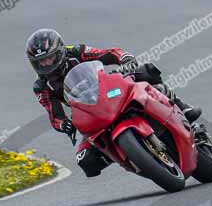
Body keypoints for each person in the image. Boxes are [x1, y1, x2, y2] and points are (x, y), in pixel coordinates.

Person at [26, 28, 202, 177]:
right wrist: (64, 124)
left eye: (49, 58)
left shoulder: (75, 51)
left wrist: (124, 58)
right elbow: (54, 116)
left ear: (60, 51)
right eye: (40, 62)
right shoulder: (41, 86)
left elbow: (107, 53)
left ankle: (182, 107)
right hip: (87, 110)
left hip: (107, 89)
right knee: (86, 161)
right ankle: (130, 156)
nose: (46, 64)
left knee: (146, 72)